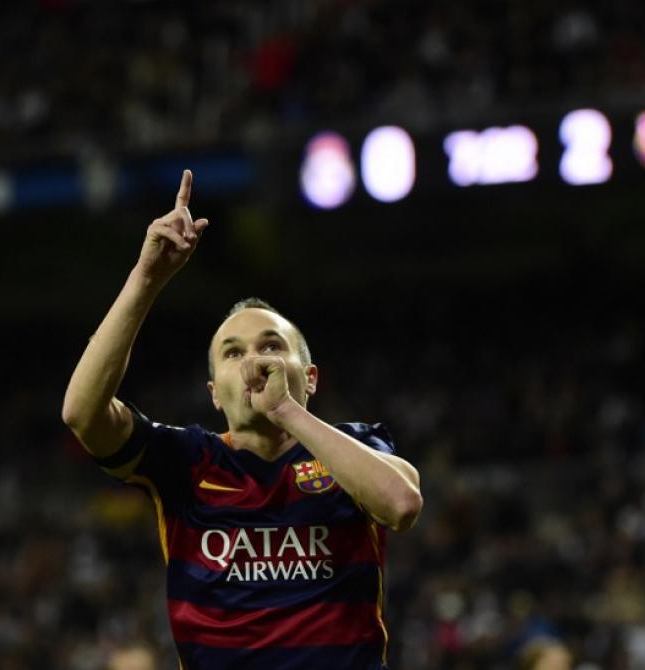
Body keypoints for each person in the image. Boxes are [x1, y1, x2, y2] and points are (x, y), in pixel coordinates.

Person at [62, 170, 423, 669]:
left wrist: (286, 413)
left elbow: (402, 504)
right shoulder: (187, 461)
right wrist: (147, 279)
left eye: (272, 346)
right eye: (232, 353)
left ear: (310, 377)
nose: (254, 363)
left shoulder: (352, 449)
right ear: (214, 394)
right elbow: (81, 413)